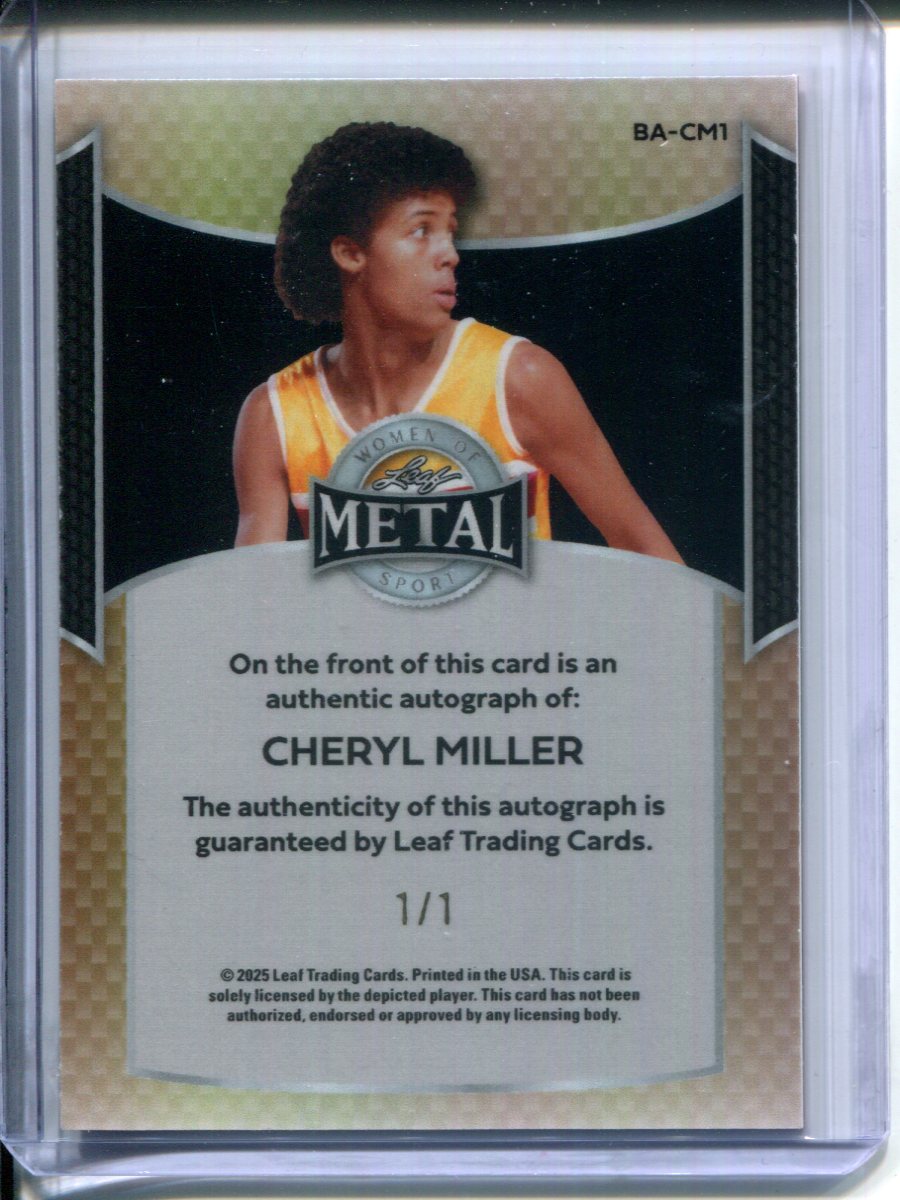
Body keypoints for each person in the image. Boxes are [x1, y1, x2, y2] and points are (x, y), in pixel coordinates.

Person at [233, 121, 681, 563]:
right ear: (350, 253)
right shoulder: (275, 414)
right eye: (421, 230)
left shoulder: (518, 378)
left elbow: (650, 554)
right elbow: (250, 598)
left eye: (450, 230)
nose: (450, 254)